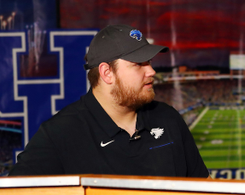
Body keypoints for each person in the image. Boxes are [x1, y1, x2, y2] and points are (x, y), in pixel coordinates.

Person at [9, 24, 209, 178]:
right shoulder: (60, 133)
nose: (151, 71)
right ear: (107, 73)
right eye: (139, 64)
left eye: (149, 62)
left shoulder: (168, 118)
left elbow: (205, 192)